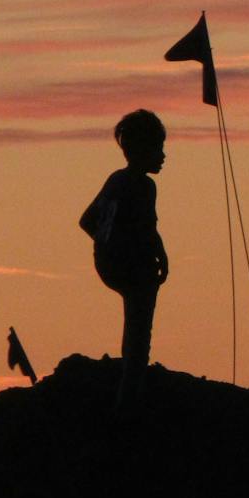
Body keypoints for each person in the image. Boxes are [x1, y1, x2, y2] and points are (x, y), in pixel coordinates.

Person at [79, 108, 169, 412]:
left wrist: (157, 251)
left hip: (121, 264)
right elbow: (97, 221)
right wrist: (125, 252)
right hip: (130, 267)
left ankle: (129, 394)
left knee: (137, 330)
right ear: (143, 149)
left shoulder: (130, 183)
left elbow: (92, 221)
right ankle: (128, 402)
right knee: (138, 335)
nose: (163, 155)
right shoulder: (133, 184)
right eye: (158, 148)